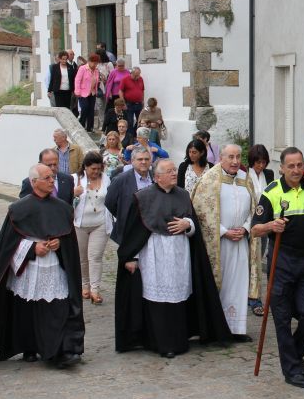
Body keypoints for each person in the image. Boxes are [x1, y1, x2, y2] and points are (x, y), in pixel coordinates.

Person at [0, 163, 85, 368]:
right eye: (46, 178)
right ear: (34, 182)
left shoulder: (63, 209)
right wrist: (32, 248)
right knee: (27, 310)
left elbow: (69, 242)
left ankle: (58, 351)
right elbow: (8, 245)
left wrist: (59, 243)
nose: (51, 181)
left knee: (57, 308)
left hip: (54, 267)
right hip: (29, 269)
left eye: (52, 177)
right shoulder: (19, 209)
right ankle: (29, 348)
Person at [114, 159, 231, 356]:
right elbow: (133, 231)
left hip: (179, 254)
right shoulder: (143, 197)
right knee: (156, 298)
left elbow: (193, 224)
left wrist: (188, 224)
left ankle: (178, 340)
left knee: (178, 296)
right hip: (154, 254)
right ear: (157, 177)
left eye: (175, 170)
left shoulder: (183, 195)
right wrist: (131, 257)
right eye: (169, 171)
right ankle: (159, 342)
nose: (174, 173)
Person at [251, 147, 304, 388]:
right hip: (281, 259)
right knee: (282, 318)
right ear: (282, 168)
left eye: (299, 165)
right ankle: (293, 370)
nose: (296, 170)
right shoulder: (272, 192)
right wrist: (271, 226)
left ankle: (293, 355)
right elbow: (255, 229)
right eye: (291, 166)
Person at [192, 144, 261, 342]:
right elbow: (202, 212)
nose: (235, 161)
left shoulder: (244, 178)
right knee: (219, 284)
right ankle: (216, 329)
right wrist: (224, 231)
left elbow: (254, 208)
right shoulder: (209, 180)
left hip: (241, 241)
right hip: (218, 242)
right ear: (221, 158)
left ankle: (236, 328)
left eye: (238, 157)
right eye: (230, 157)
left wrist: (246, 228)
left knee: (239, 283)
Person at [72, 151, 113, 305]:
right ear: (85, 167)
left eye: (98, 169)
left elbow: (110, 199)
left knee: (95, 257)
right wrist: (74, 194)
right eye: (92, 169)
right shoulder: (75, 179)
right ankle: (85, 286)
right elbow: (64, 200)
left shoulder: (106, 179)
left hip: (100, 223)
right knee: (82, 258)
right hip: (80, 224)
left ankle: (95, 289)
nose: (96, 172)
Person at [247, 144, 274, 316]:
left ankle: (255, 297)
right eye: (258, 162)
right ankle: (249, 297)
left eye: (263, 162)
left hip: (263, 224)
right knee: (246, 262)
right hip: (248, 222)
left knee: (257, 261)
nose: (261, 166)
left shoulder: (269, 175)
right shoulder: (244, 175)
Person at [105, 146, 153, 245]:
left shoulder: (156, 177)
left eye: (146, 159)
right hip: (129, 229)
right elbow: (109, 202)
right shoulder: (120, 180)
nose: (144, 162)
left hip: (152, 229)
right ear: (132, 161)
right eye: (140, 159)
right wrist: (124, 214)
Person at [74, 53, 100, 133]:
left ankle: (90, 128)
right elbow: (77, 80)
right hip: (83, 92)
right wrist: (77, 91)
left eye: (96, 63)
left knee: (91, 110)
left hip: (92, 92)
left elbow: (96, 81)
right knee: (85, 108)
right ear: (89, 61)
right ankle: (81, 125)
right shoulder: (83, 68)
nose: (94, 64)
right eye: (93, 62)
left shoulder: (96, 70)